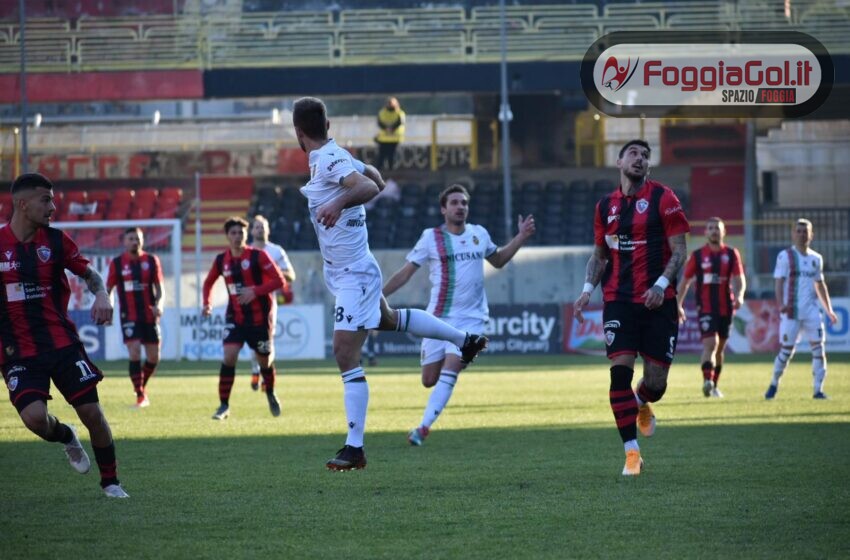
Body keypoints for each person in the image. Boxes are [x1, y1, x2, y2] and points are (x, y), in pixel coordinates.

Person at [292, 96, 488, 471]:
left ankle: (355, 448)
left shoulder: (331, 160)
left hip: (355, 274)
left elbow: (369, 188)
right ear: (327, 126)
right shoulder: (335, 157)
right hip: (350, 270)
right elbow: (377, 178)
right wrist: (358, 174)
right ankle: (465, 340)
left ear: (298, 133)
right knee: (390, 320)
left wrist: (338, 204)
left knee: (344, 353)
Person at [0, 173, 129, 498]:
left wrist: (102, 295)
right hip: (18, 351)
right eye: (46, 200)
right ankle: (66, 436)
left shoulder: (56, 242)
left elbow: (89, 273)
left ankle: (111, 483)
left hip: (61, 343)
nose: (53, 207)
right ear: (23, 204)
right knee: (35, 420)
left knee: (92, 413)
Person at [384, 184, 535, 446]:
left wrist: (520, 237)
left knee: (451, 366)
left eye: (464, 203)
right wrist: (379, 298)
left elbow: (497, 260)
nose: (460, 207)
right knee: (429, 380)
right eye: (454, 203)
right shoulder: (431, 238)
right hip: (438, 318)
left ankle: (422, 428)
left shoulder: (479, 234)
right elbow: (406, 272)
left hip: (472, 318)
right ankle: (452, 372)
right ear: (443, 209)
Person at [573, 139, 689, 476]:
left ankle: (642, 403)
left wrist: (661, 285)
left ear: (648, 167)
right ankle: (631, 453)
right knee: (618, 375)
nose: (640, 159)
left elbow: (679, 251)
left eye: (645, 155)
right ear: (620, 162)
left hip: (658, 302)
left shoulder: (664, 198)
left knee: (656, 385)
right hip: (619, 301)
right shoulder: (605, 205)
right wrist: (585, 291)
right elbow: (599, 256)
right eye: (633, 154)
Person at [202, 217, 286, 420]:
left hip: (259, 319)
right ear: (227, 236)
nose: (237, 236)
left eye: (241, 233)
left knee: (264, 362)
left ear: (246, 235)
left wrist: (255, 291)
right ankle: (223, 406)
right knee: (229, 356)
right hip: (235, 317)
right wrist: (207, 303)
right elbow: (208, 283)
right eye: (233, 233)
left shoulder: (259, 256)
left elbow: (279, 280)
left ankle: (271, 392)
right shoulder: (222, 260)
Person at [766, 219, 838, 400]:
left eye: (805, 231)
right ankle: (774, 384)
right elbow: (779, 282)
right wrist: (780, 303)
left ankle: (818, 390)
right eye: (798, 231)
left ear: (811, 235)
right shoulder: (785, 256)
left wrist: (828, 310)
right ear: (793, 234)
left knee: (818, 350)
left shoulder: (816, 259)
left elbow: (820, 285)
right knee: (786, 351)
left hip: (812, 312)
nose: (801, 234)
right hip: (791, 312)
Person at [676, 217, 745, 398]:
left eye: (717, 228)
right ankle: (707, 381)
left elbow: (739, 279)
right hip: (705, 307)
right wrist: (678, 304)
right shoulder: (697, 256)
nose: (714, 231)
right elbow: (684, 283)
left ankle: (713, 385)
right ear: (706, 232)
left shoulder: (731, 254)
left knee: (720, 349)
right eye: (711, 228)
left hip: (726, 308)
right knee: (711, 344)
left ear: (723, 232)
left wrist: (739, 295)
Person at [106, 227, 164, 408]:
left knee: (154, 357)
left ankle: (141, 386)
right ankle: (140, 395)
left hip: (149, 314)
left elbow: (160, 288)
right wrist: (109, 310)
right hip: (128, 315)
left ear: (142, 241)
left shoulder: (152, 260)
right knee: (135, 351)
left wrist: (159, 305)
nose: (134, 242)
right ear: (124, 241)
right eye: (131, 239)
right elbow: (109, 290)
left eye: (137, 239)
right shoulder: (116, 263)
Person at [248, 214, 296, 392]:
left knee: (267, 340)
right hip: (249, 300)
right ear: (252, 230)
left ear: (268, 230)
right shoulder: (246, 251)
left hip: (269, 301)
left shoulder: (276, 251)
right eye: (257, 226)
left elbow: (291, 275)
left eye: (263, 226)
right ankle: (255, 369)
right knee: (252, 340)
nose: (260, 229)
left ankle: (263, 371)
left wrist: (272, 272)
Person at [375, 97, 405, 171]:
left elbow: (380, 123)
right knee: (386, 157)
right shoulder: (399, 112)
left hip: (388, 138)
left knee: (387, 157)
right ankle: (388, 173)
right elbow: (400, 122)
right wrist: (390, 129)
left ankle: (384, 173)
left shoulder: (383, 112)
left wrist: (387, 129)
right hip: (389, 138)